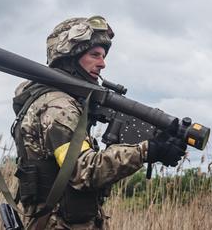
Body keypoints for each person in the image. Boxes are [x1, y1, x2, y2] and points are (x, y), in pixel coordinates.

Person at [11, 16, 187, 229]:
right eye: (94, 55)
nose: (102, 64)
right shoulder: (58, 106)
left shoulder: (59, 102)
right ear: (69, 57)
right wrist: (146, 151)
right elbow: (83, 170)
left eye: (103, 56)